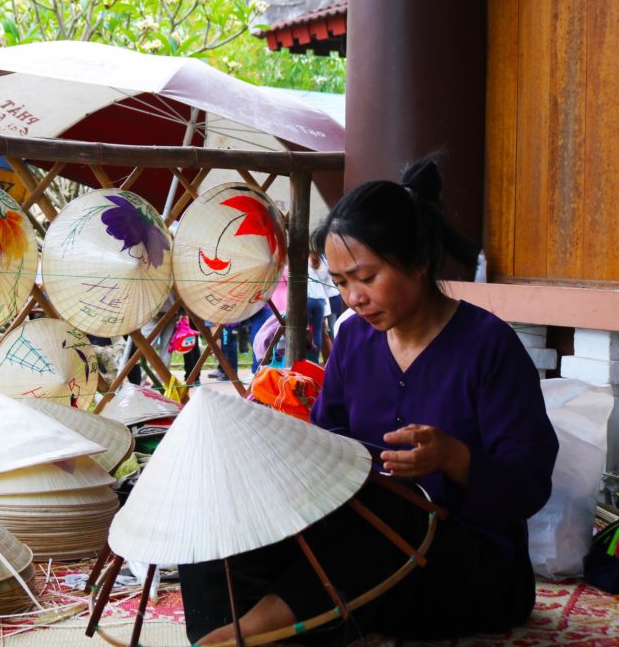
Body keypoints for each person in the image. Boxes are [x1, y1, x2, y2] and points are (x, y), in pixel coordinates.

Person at [182, 157, 559, 646]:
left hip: (469, 569)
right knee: (223, 507)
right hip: (361, 553)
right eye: (340, 283)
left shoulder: (489, 346)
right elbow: (327, 447)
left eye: (366, 276)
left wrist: (453, 457)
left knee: (385, 513)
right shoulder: (355, 342)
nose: (353, 297)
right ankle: (218, 632)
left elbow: (529, 486)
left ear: (419, 260)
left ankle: (254, 630)